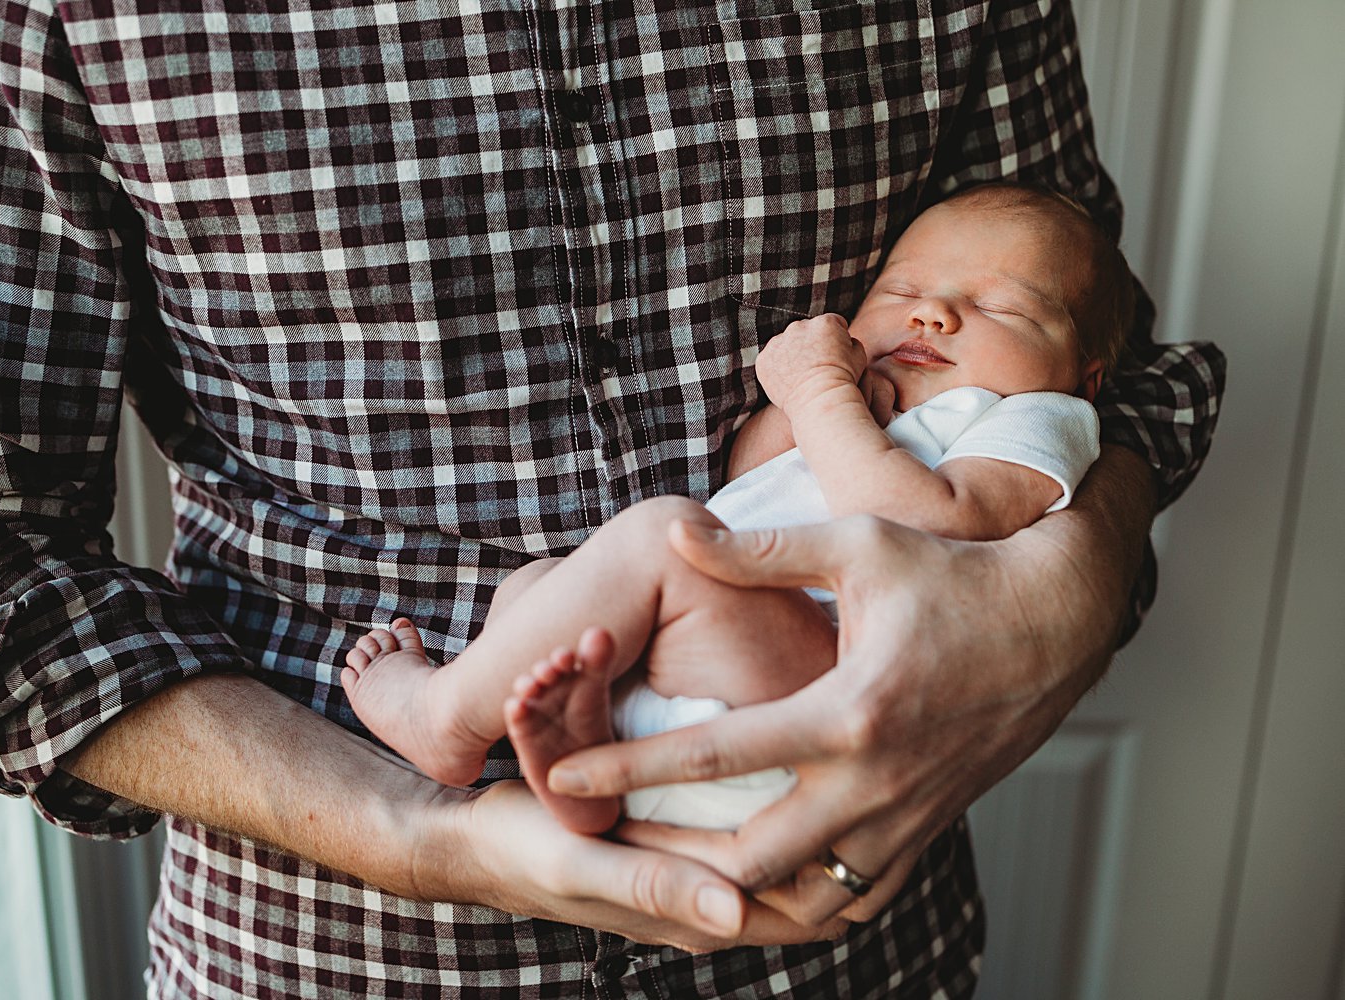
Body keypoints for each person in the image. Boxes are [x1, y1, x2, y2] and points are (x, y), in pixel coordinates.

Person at [0, 0, 1225, 995]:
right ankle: (450, 708)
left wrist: (1063, 599)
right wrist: (418, 835)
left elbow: (1097, 365)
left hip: (856, 925)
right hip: (330, 946)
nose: (927, 318)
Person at [343, 182, 1124, 837]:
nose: (934, 315)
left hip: (819, 694)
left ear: (1083, 377)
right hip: (705, 683)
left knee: (660, 534)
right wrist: (818, 397)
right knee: (541, 586)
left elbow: (927, 528)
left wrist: (822, 402)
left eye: (1002, 308)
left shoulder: (1033, 417)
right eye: (903, 291)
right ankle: (585, 764)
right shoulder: (859, 404)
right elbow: (748, 479)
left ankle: (446, 716)